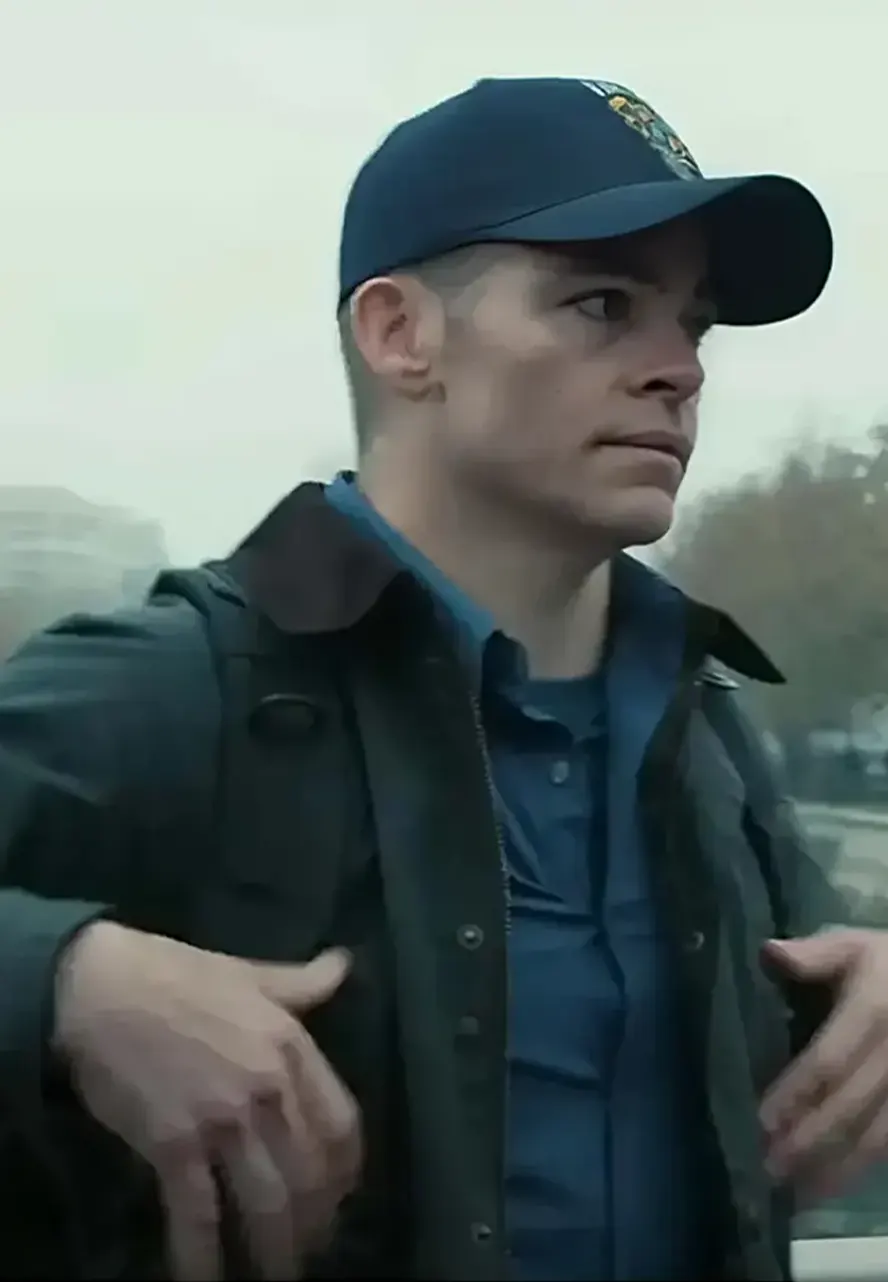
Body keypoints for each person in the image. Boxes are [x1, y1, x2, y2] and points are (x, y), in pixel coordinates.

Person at [0, 74, 886, 1282]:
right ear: (400, 335)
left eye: (695, 322)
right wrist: (63, 977)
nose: (679, 368)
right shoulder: (174, 686)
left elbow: (816, 1009)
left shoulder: (709, 729)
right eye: (603, 303)